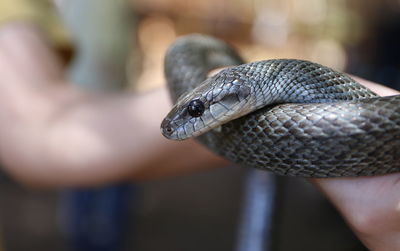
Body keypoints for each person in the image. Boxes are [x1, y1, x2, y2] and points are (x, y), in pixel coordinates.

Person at [0, 22, 399, 250]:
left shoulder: (272, 81)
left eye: (197, 110)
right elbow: (40, 130)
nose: (187, 121)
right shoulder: (241, 84)